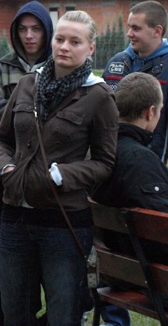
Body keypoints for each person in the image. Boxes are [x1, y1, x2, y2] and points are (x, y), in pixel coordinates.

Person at [0, 10, 119, 325]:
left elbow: (105, 162)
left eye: (75, 41)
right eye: (60, 39)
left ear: (90, 48)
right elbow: (1, 140)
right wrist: (5, 167)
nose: (64, 47)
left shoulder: (99, 96)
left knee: (63, 313)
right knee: (13, 312)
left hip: (63, 221)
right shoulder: (27, 84)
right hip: (15, 215)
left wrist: (64, 175)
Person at [0, 0, 53, 326]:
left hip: (51, 178)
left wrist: (17, 112)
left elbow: (76, 114)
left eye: (36, 29)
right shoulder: (0, 69)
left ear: (47, 31)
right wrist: (38, 110)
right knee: (6, 254)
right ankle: (3, 316)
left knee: (51, 255)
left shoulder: (62, 65)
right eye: (23, 29)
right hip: (8, 177)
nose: (29, 35)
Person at [91, 72, 166, 326]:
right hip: (151, 277)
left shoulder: (97, 150)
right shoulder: (139, 160)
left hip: (116, 269)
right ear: (150, 112)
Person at [103, 0, 168, 163]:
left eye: (136, 28)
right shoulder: (116, 62)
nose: (129, 33)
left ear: (157, 31)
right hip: (108, 157)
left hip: (150, 162)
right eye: (129, 27)